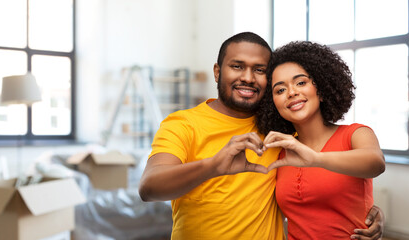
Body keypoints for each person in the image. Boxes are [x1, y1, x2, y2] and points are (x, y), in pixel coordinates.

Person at [139, 32, 383, 240]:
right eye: (237, 66)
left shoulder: (280, 131)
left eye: (259, 70)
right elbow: (149, 188)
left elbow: (350, 168)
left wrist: (365, 211)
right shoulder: (183, 124)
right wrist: (213, 166)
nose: (247, 77)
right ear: (217, 71)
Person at [256, 40, 386, 239]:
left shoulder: (356, 134)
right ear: (273, 104)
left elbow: (376, 164)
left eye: (301, 82)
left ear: (322, 89)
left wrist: (316, 159)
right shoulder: (280, 152)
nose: (291, 92)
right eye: (280, 90)